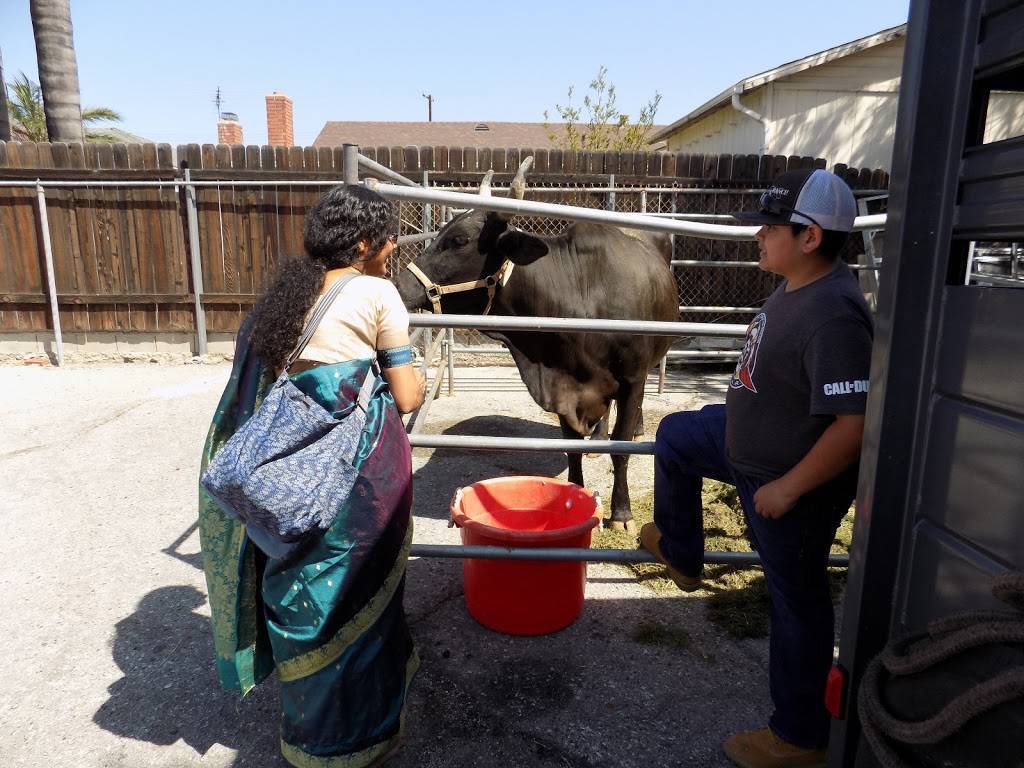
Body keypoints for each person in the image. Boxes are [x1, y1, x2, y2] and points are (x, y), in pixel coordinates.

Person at [643, 169, 873, 768]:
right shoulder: (799, 285)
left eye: (771, 229)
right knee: (673, 436)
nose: (758, 238)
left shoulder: (837, 317)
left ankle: (799, 738)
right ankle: (683, 550)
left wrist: (789, 489)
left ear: (811, 237)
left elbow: (854, 425)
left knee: (796, 599)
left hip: (786, 481)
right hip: (745, 446)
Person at [198, 184, 426, 768]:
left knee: (306, 597)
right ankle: (359, 738)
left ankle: (308, 736)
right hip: (352, 478)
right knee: (356, 593)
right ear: (363, 243)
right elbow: (404, 396)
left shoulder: (282, 298)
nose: (393, 245)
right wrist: (410, 375)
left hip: (288, 479)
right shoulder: (378, 292)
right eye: (386, 235)